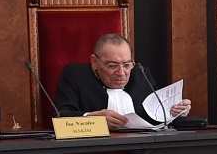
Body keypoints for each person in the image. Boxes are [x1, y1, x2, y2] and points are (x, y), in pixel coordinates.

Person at [53, 33, 195, 130]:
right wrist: (93, 119)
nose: (121, 73)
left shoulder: (141, 74)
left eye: (127, 64)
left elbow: (155, 117)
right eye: (112, 65)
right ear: (95, 62)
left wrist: (175, 112)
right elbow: (61, 116)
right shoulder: (75, 76)